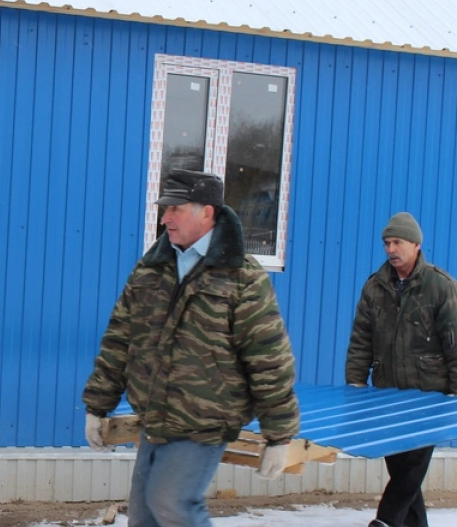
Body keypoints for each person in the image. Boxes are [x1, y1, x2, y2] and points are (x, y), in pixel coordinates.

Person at [82, 169, 300, 527]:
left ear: (207, 212)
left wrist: (279, 434)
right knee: (144, 516)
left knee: (172, 503)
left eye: (175, 209)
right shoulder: (150, 270)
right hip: (155, 416)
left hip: (205, 420)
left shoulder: (242, 277)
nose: (165, 217)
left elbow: (268, 358)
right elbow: (120, 340)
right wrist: (97, 404)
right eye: (164, 208)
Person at [345, 212, 457, 527]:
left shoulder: (441, 287)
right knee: (403, 472)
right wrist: (355, 383)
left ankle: (384, 521)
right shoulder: (375, 287)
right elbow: (362, 338)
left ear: (416, 245)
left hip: (428, 398)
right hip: (388, 395)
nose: (391, 249)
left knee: (411, 470)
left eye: (397, 242)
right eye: (387, 243)